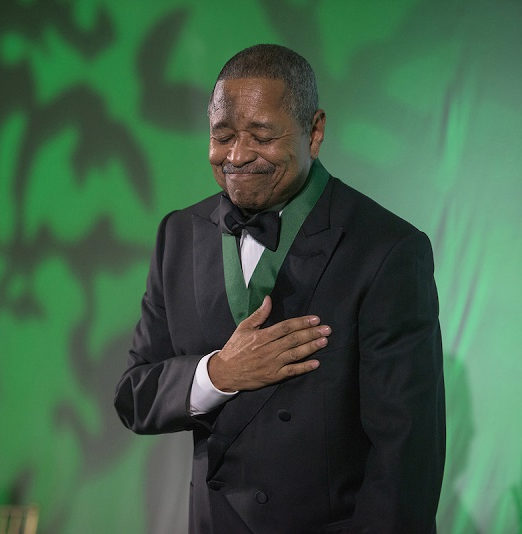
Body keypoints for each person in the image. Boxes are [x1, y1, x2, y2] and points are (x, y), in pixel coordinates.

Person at [114, 44, 445, 533]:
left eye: (262, 136)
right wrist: (219, 373)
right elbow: (133, 396)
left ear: (315, 132)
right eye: (222, 135)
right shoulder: (178, 235)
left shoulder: (388, 250)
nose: (238, 155)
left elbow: (407, 453)